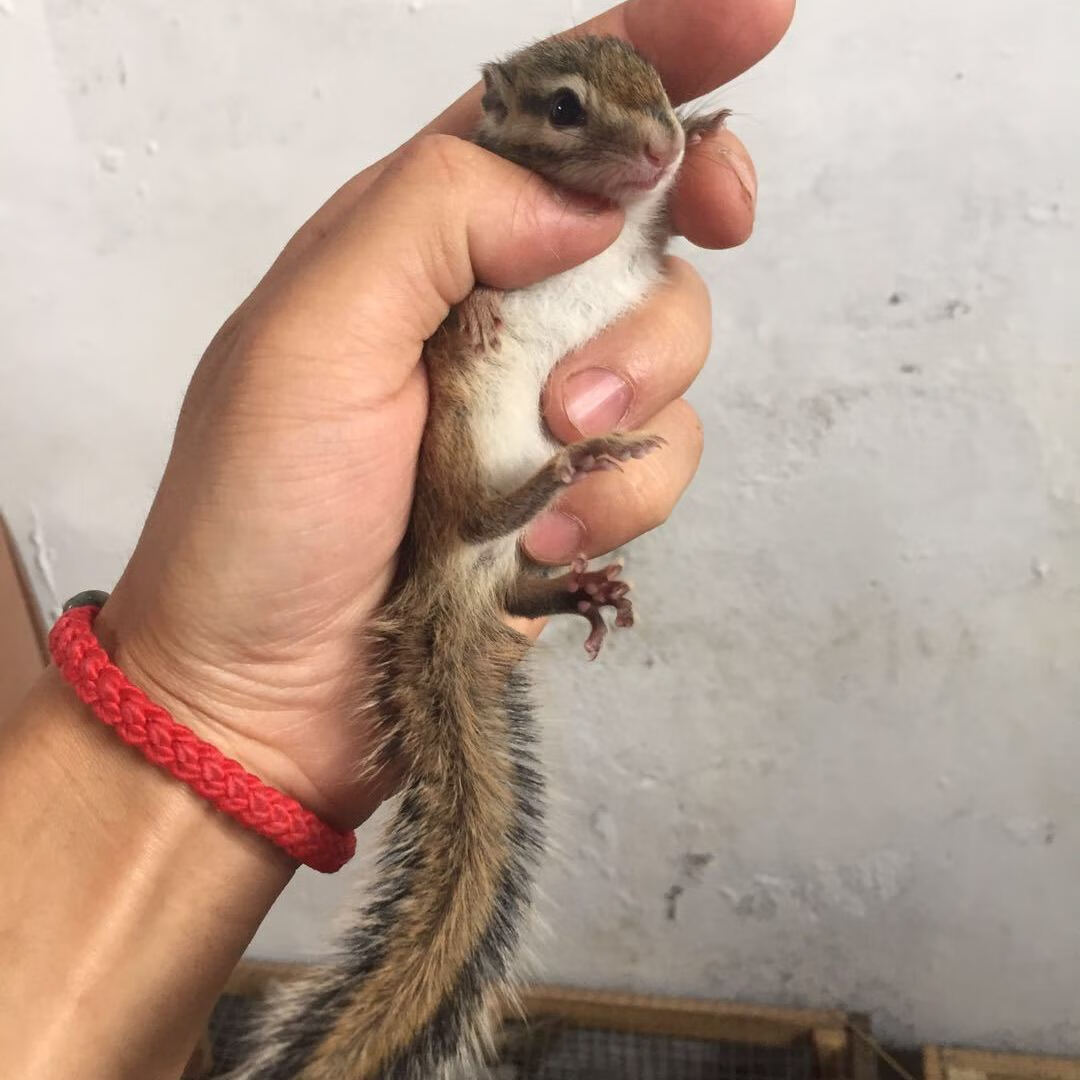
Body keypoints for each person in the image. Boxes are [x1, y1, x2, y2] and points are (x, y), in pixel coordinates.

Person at [0, 1, 794, 1075]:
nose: (647, 143)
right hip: (474, 509)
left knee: (532, 490)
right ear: (501, 115)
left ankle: (537, 580)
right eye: (573, 117)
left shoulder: (621, 190)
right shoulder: (481, 201)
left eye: (658, 115)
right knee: (503, 452)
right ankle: (531, 554)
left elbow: (646, 208)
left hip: (473, 552)